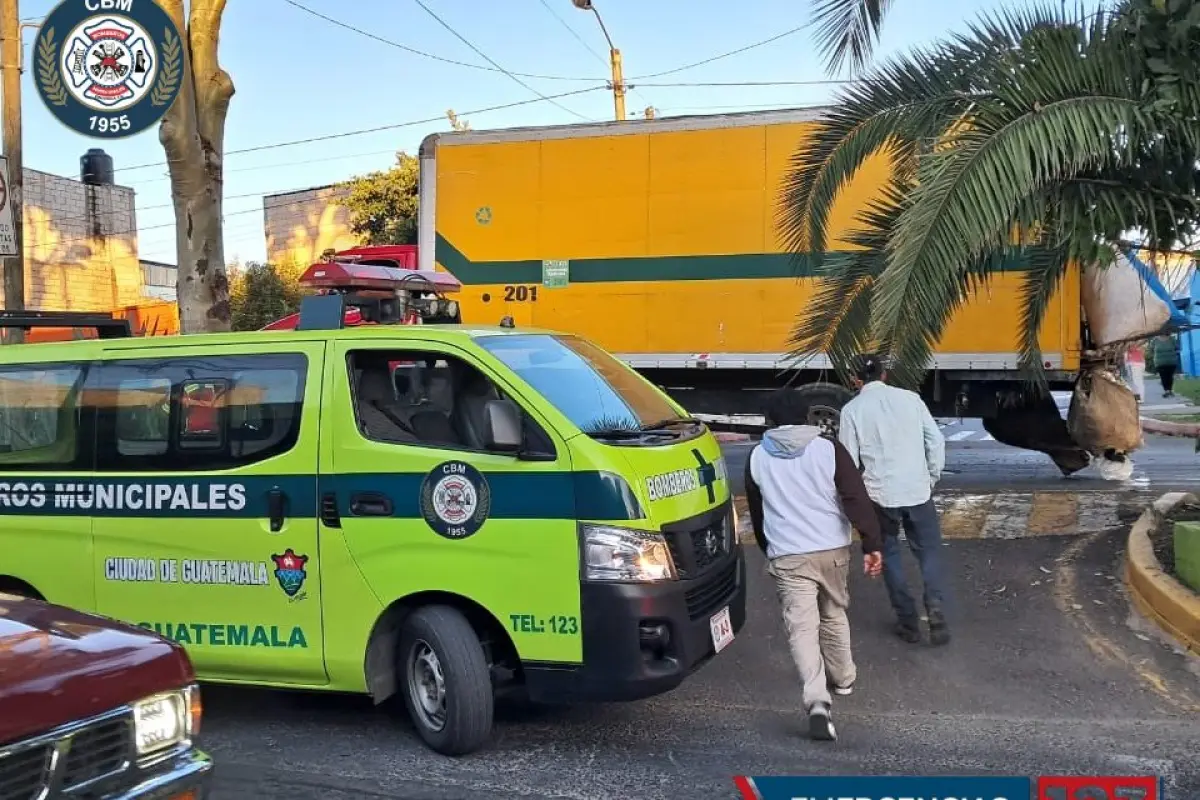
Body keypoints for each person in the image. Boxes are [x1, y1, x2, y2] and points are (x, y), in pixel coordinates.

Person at [744, 390, 884, 743]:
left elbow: (759, 515)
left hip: (789, 554)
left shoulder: (757, 457)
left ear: (771, 420)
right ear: (806, 416)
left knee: (802, 628)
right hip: (831, 549)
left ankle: (818, 701)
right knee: (834, 613)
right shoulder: (829, 449)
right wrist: (872, 543)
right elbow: (855, 497)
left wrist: (770, 549)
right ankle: (845, 678)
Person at [838, 354, 950, 646]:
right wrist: (931, 476)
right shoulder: (911, 399)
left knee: (888, 555)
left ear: (855, 379)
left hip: (880, 496)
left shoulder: (851, 411)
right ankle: (935, 605)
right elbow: (935, 441)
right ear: (885, 374)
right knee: (929, 551)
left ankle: (908, 621)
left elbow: (849, 462)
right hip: (917, 489)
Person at [1150, 333, 1180, 397]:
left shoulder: (1172, 339)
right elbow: (1151, 349)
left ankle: (1170, 390)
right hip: (1160, 362)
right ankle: (1167, 391)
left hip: (1171, 361)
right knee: (1163, 376)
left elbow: (1176, 347)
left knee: (1170, 376)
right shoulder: (1155, 340)